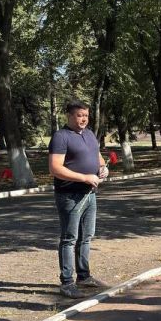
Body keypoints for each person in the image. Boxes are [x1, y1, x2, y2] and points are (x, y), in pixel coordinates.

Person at [49, 100, 109, 298]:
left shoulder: (90, 134)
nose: (83, 119)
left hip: (90, 195)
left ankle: (84, 276)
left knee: (87, 236)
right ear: (69, 116)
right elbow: (55, 168)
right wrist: (84, 177)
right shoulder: (61, 137)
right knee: (69, 238)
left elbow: (97, 156)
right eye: (79, 115)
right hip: (70, 196)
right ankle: (67, 282)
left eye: (86, 115)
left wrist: (103, 168)